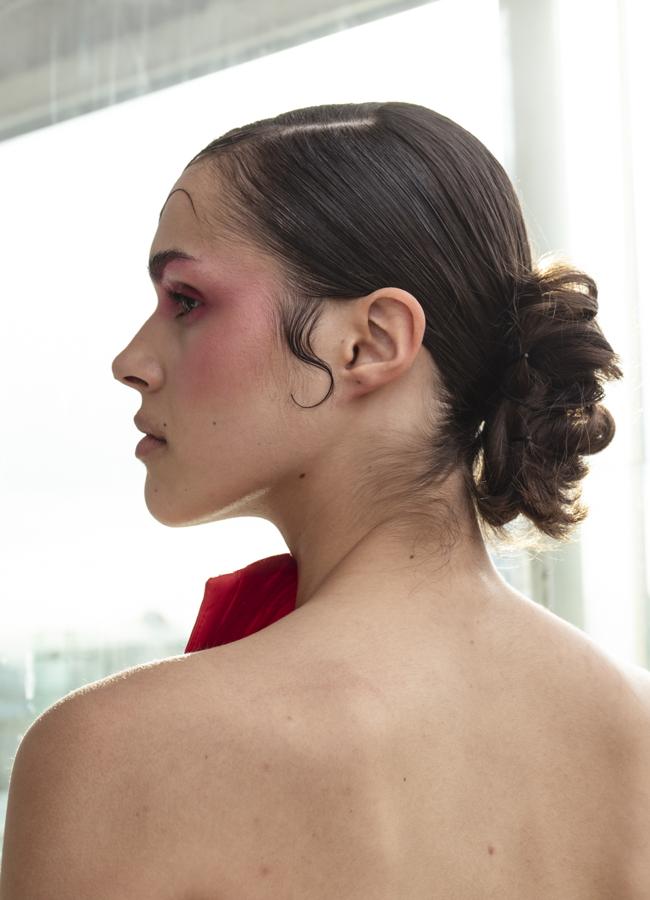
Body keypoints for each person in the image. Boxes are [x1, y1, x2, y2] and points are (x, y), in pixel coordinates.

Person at [2, 101, 649, 899]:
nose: (130, 360)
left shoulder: (114, 756)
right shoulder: (634, 736)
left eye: (187, 301)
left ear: (371, 341)